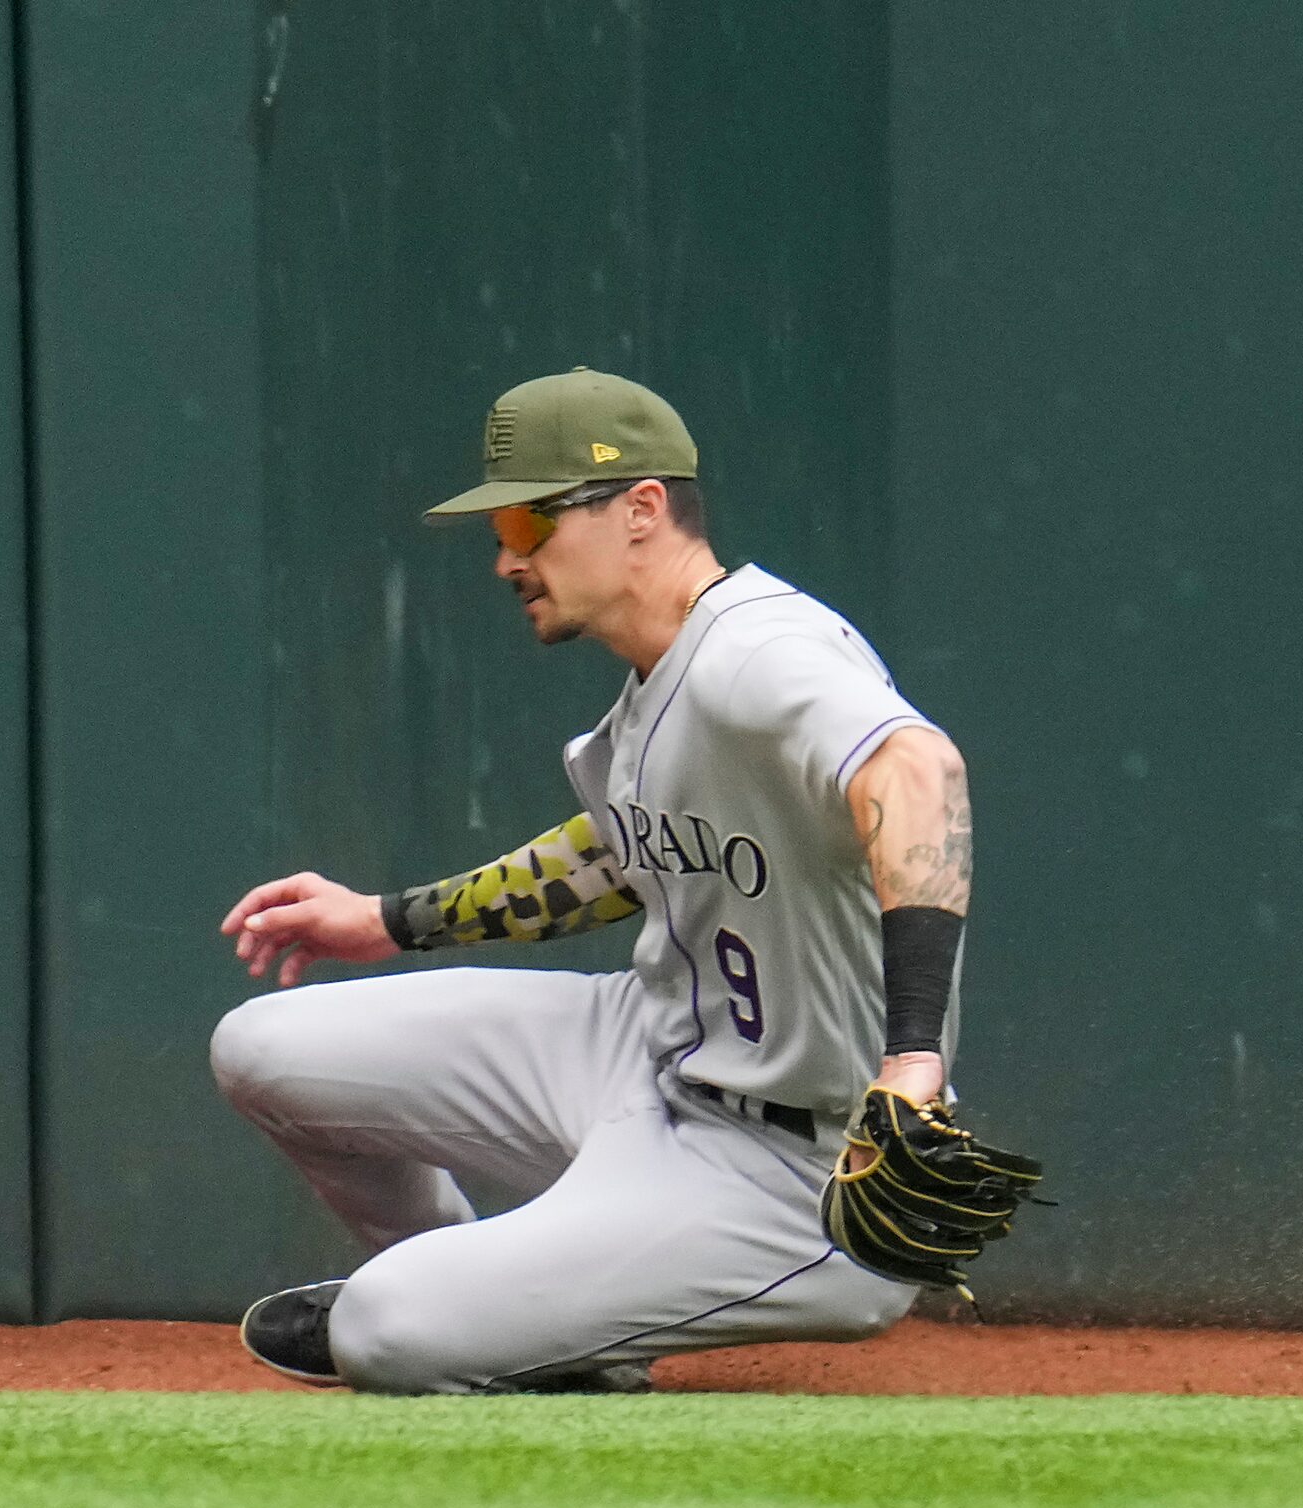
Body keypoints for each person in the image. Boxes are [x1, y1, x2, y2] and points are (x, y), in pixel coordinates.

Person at [208, 367, 984, 1394]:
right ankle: (504, 1308)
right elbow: (616, 854)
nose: (504, 561)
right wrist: (387, 921)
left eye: (529, 524)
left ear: (641, 510)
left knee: (385, 1333)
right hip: (644, 1050)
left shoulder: (758, 650)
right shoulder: (661, 676)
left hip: (797, 1170)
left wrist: (915, 1057)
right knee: (262, 1047)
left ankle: (475, 1317)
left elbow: (917, 769)